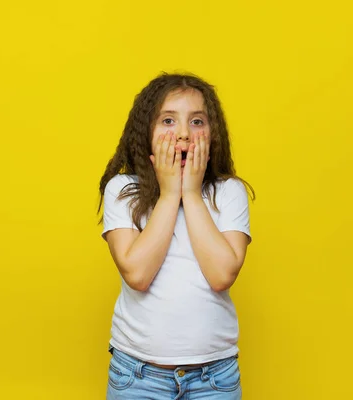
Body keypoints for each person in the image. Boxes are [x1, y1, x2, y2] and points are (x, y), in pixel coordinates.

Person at [98, 72, 255, 399]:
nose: (184, 133)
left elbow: (222, 275)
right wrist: (170, 195)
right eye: (168, 120)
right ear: (145, 132)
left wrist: (192, 194)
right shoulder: (123, 191)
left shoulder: (228, 193)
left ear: (213, 134)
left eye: (197, 121)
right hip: (137, 376)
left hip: (215, 378)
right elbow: (137, 275)